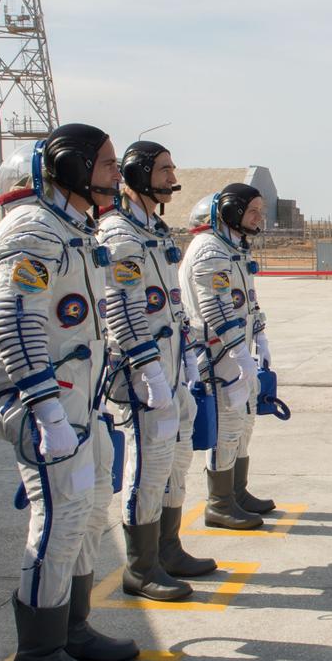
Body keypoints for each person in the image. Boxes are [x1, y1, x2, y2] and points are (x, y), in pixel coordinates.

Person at [0, 125, 137, 661]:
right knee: (61, 514)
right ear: (69, 167)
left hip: (72, 396)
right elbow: (16, 326)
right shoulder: (33, 230)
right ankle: (38, 656)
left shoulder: (71, 228)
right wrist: (47, 413)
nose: (116, 174)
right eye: (106, 163)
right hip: (28, 395)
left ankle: (72, 628)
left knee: (91, 503)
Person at [97, 141, 216, 602]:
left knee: (176, 458)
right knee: (147, 465)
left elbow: (170, 301)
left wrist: (185, 355)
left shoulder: (156, 232)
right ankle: (141, 566)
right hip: (142, 373)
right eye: (164, 170)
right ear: (137, 174)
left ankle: (168, 547)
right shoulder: (118, 233)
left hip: (171, 366)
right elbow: (122, 309)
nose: (172, 178)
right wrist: (147, 370)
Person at [181, 183, 278, 530]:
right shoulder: (209, 250)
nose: (259, 218)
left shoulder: (233, 248)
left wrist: (259, 336)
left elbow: (246, 300)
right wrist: (238, 351)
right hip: (218, 353)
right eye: (253, 211)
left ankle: (237, 491)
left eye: (261, 211)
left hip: (237, 350)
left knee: (243, 421)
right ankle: (220, 502)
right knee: (226, 424)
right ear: (231, 212)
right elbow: (216, 308)